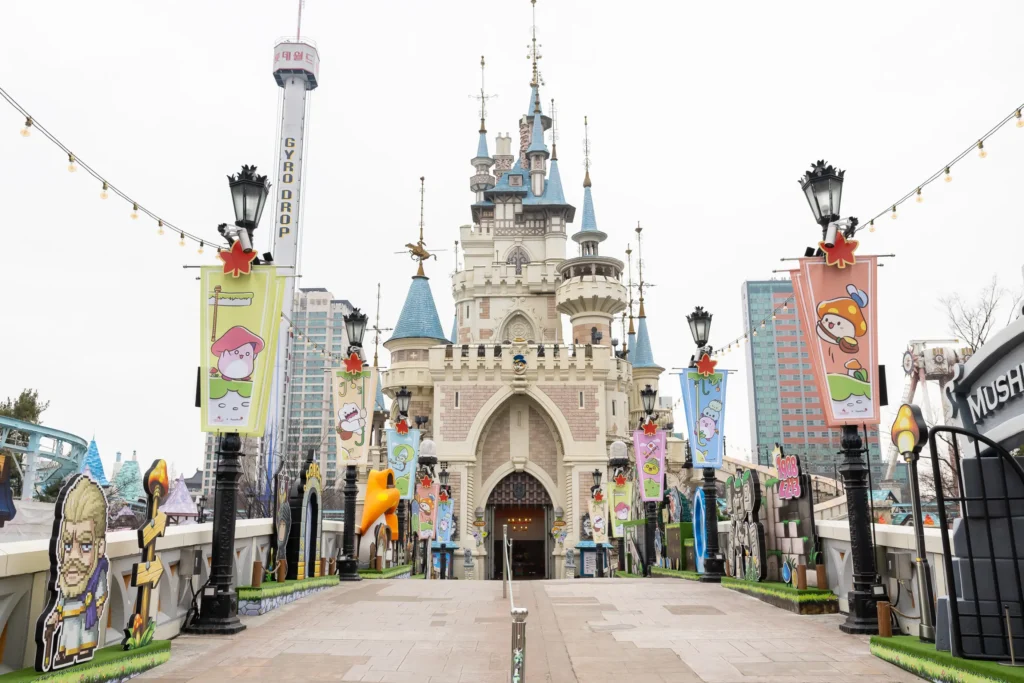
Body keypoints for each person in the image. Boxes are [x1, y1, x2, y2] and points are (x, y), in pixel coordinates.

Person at [39, 476, 109, 671]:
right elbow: (59, 602)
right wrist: (55, 616)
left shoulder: (97, 575)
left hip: (86, 628)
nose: (73, 556)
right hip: (67, 629)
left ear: (100, 546)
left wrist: (92, 611)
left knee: (82, 648)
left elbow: (101, 599)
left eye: (86, 546)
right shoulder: (66, 580)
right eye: (68, 545)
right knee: (66, 651)